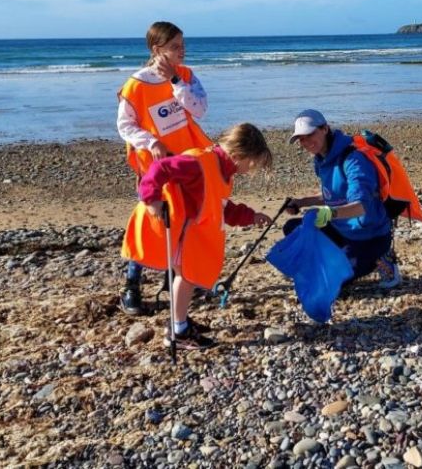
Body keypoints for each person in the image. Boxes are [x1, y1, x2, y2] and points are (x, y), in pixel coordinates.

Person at [132, 123, 272, 350]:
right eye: (252, 163)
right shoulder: (198, 163)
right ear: (238, 155)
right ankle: (178, 331)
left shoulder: (222, 170)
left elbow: (221, 207)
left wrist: (250, 216)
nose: (251, 169)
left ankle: (180, 321)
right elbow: (160, 169)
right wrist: (151, 198)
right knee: (186, 278)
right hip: (179, 232)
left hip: (190, 234)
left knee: (186, 278)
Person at [116, 21, 212, 315]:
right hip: (155, 166)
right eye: (175, 47)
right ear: (157, 50)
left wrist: (175, 83)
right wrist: (150, 141)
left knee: (186, 218)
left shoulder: (186, 75)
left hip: (188, 160)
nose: (182, 51)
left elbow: (200, 108)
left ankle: (177, 279)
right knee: (153, 220)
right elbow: (125, 125)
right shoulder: (136, 85)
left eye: (183, 45)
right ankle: (132, 284)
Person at [284, 109, 401, 288]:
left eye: (310, 134)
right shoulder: (321, 159)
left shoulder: (354, 159)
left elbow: (361, 206)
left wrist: (328, 213)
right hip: (340, 229)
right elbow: (334, 195)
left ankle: (382, 258)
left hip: (368, 235)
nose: (306, 142)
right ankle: (335, 259)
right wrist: (301, 202)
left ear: (325, 129)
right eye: (301, 138)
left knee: (334, 282)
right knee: (293, 229)